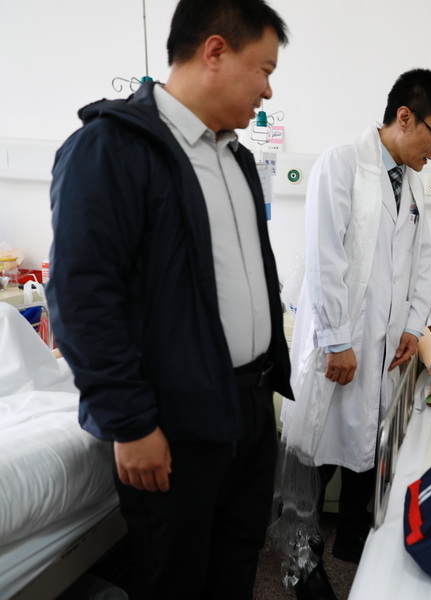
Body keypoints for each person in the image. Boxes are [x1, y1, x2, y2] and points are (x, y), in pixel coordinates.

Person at [46, 1, 292, 598]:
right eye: (263, 69)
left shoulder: (235, 158)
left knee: (235, 565)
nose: (267, 89)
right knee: (174, 577)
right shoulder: (111, 148)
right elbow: (82, 296)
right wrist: (129, 424)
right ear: (215, 51)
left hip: (250, 405)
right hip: (174, 420)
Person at [280, 68, 431, 598]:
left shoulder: (412, 182)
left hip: (384, 347)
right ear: (405, 117)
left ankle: (350, 542)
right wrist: (337, 340)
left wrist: (412, 326)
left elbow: (420, 263)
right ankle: (299, 563)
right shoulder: (341, 165)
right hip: (338, 344)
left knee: (365, 447)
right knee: (313, 457)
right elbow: (324, 258)